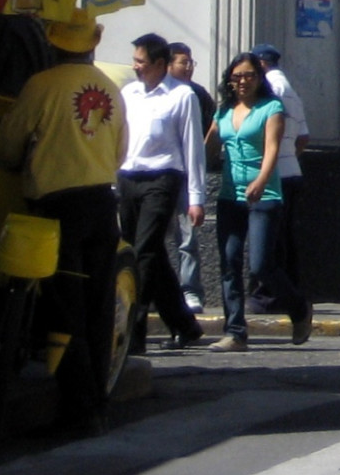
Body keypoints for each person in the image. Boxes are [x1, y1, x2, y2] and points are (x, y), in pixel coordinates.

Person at [0, 18, 127, 433]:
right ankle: (98, 403)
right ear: (93, 43)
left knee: (66, 309)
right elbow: (120, 152)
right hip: (104, 205)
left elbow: (7, 144)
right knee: (99, 307)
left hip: (60, 207)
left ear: (52, 43)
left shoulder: (42, 85)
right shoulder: (113, 91)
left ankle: (80, 410)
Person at [211, 51, 310, 350]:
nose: (242, 82)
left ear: (259, 79)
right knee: (229, 262)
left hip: (264, 194)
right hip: (230, 196)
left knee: (261, 266)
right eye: (237, 76)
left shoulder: (271, 108)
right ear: (229, 80)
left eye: (249, 76)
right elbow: (208, 145)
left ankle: (299, 308)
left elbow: (272, 150)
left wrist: (261, 180)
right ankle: (235, 331)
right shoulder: (224, 111)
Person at [117, 32, 207, 350]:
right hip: (128, 178)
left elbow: (193, 148)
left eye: (141, 61)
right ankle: (184, 323)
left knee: (143, 254)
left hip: (163, 180)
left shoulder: (182, 96)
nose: (136, 67)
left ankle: (133, 329)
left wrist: (196, 199)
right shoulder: (128, 93)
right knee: (144, 253)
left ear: (159, 64)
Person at [251, 42, 310, 307]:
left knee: (271, 241)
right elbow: (304, 137)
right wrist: (289, 155)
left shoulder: (271, 89)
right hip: (290, 171)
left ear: (261, 64)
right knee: (284, 236)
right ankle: (289, 290)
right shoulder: (292, 93)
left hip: (273, 174)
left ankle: (271, 295)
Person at [164, 41, 213, 315]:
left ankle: (191, 291)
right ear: (168, 65)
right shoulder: (158, 94)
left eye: (191, 62)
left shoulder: (197, 95)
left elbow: (209, 130)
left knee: (187, 239)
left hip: (186, 176)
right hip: (158, 176)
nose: (189, 67)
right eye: (184, 62)